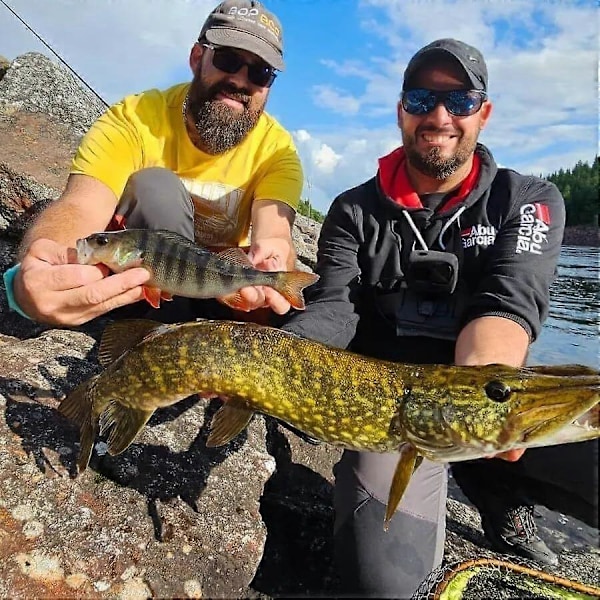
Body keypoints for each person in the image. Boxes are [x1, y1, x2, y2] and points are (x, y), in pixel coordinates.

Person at [279, 38, 582, 597]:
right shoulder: (353, 210)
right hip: (397, 416)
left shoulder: (529, 200)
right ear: (401, 110)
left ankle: (494, 486)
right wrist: (276, 358)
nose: (439, 116)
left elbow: (509, 302)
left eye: (460, 101)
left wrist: (482, 412)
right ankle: (469, 475)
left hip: (482, 389)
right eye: (421, 99)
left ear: (483, 113)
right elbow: (333, 310)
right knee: (383, 582)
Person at [3, 0, 302, 327]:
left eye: (260, 72)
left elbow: (275, 232)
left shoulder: (278, 151)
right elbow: (80, 207)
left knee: (267, 307)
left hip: (225, 299)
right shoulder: (134, 120)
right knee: (155, 188)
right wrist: (37, 272)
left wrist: (274, 258)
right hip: (143, 297)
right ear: (197, 58)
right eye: (228, 59)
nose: (241, 81)